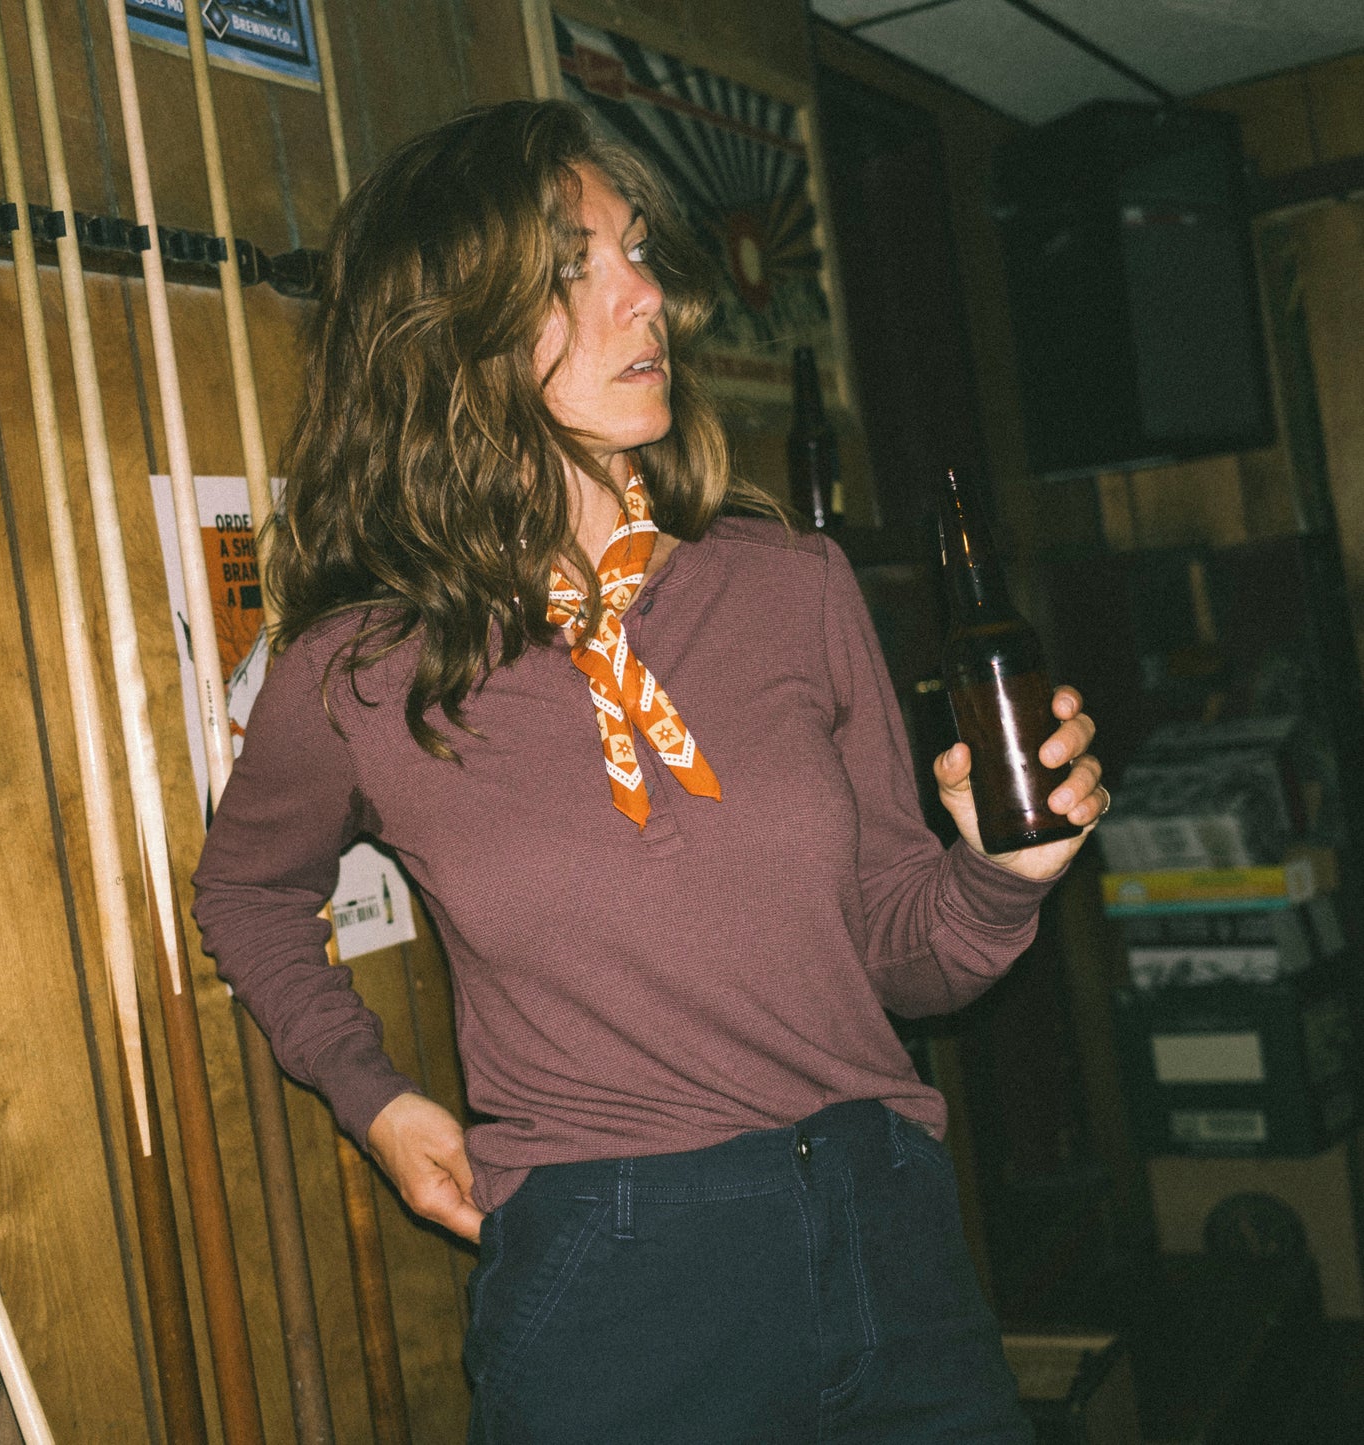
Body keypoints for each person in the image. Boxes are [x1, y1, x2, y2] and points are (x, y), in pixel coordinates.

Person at [192, 98, 1107, 1443]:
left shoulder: (790, 584)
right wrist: (374, 1099)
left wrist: (1002, 875)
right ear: (447, 335)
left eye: (637, 252)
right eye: (576, 267)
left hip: (889, 1232)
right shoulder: (359, 665)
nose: (650, 300)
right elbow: (246, 895)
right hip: (617, 1278)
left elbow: (903, 954)